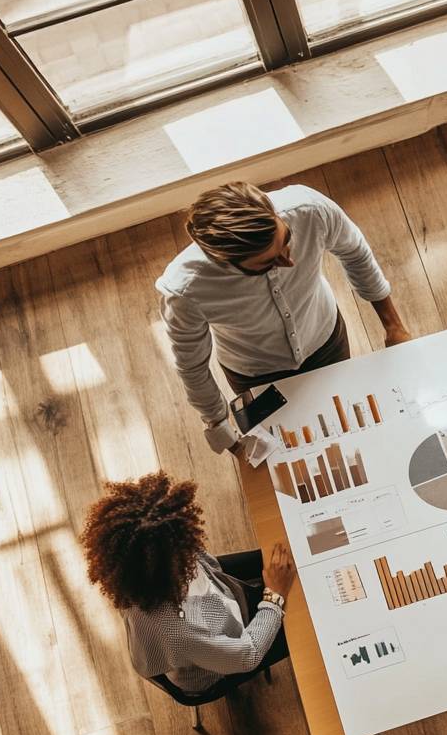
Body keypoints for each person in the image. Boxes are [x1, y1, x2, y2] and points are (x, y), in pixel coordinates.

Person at [157, 181, 411, 455]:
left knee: (348, 431)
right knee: (288, 453)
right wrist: (223, 432)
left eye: (286, 240)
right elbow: (192, 367)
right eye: (267, 263)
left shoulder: (310, 209)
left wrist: (394, 326)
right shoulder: (184, 291)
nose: (289, 262)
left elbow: (355, 252)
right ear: (223, 260)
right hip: (254, 373)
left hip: (326, 339)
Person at [81, 471, 295, 694]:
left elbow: (203, 568)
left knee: (283, 555)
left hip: (218, 594)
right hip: (216, 657)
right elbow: (248, 655)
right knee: (304, 623)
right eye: (186, 549)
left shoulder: (135, 578)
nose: (194, 546)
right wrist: (273, 595)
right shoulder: (184, 630)